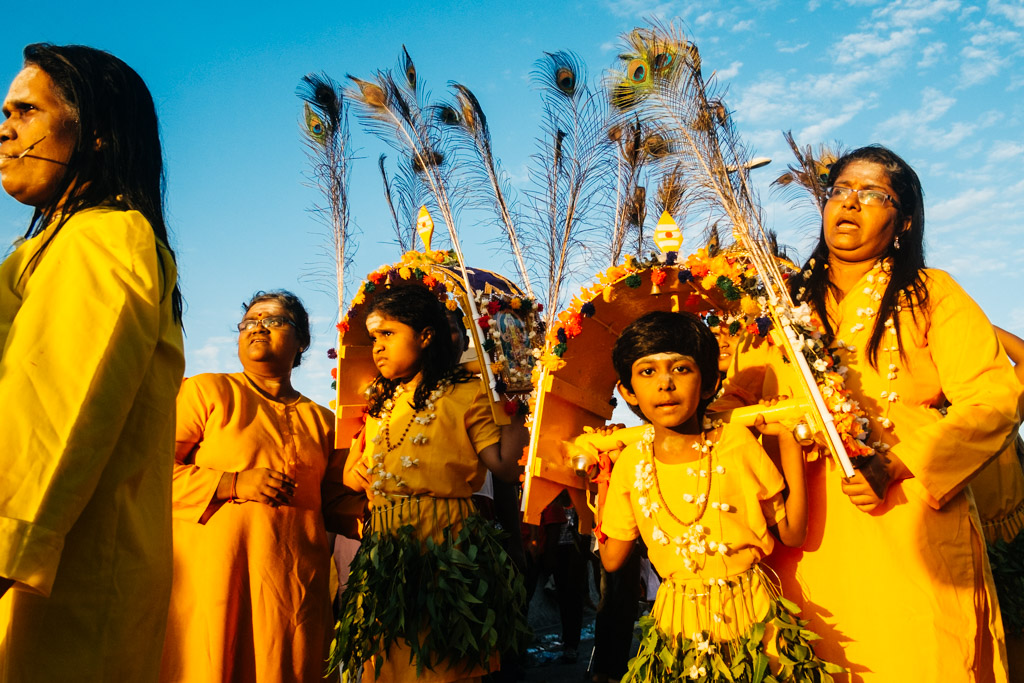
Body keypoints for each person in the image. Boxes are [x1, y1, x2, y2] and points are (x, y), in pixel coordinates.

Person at [766, 145, 1021, 682]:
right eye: (839, 190)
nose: (850, 203)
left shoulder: (933, 294)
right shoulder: (778, 304)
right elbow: (736, 399)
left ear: (903, 221)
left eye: (872, 194)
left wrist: (899, 462)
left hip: (908, 519)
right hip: (804, 534)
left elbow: (995, 396)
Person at [0, 44, 185, 681]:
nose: (4, 128)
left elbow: (51, 415)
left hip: (61, 596)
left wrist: (4, 545)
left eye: (25, 111)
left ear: (98, 135)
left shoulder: (106, 237)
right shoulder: (42, 252)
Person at [598, 311, 837, 680]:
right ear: (628, 391)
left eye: (680, 369)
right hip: (678, 627)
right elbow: (613, 559)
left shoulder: (736, 443)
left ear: (709, 383)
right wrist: (599, 481)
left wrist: (789, 440)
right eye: (647, 372)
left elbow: (792, 533)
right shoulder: (630, 462)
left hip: (754, 620)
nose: (665, 384)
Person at [160, 290, 358, 683]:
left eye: (273, 320)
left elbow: (336, 502)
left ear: (301, 341)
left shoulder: (323, 421)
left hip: (294, 589)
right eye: (249, 322)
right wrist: (231, 483)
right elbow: (152, 471)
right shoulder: (208, 392)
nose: (257, 328)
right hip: (215, 583)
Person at [334, 285, 529, 682]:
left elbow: (505, 468)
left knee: (440, 666)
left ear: (425, 336)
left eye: (388, 334)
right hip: (386, 554)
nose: (378, 347)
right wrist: (359, 477)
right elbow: (351, 472)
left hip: (444, 551)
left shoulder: (467, 393)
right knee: (387, 665)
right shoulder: (381, 403)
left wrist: (513, 400)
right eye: (373, 338)